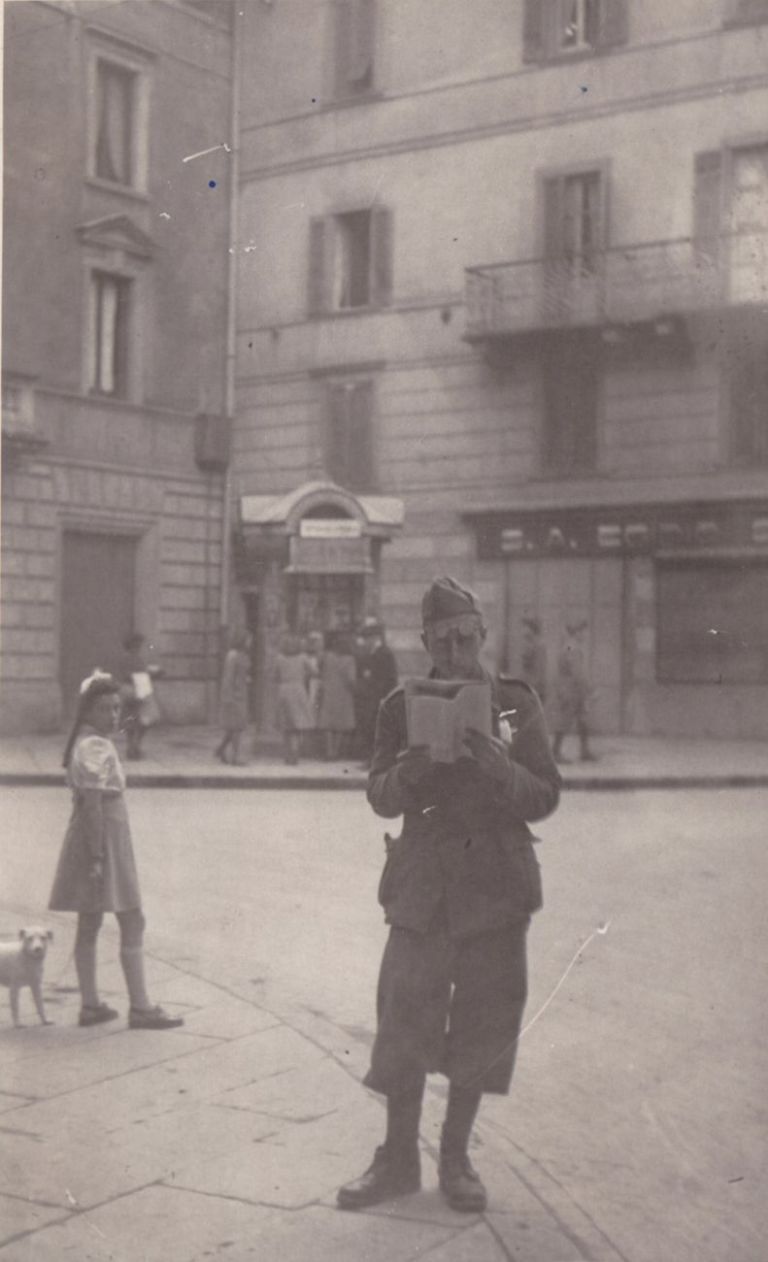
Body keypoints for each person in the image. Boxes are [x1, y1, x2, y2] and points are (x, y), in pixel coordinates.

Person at [337, 577, 560, 1214]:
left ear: (483, 635)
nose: (457, 648)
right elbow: (378, 793)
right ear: (426, 641)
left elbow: (545, 793)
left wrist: (503, 770)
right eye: (444, 638)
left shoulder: (516, 704)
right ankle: (399, 1159)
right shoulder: (397, 706)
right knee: (405, 1015)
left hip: (495, 882)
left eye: (467, 636)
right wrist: (416, 766)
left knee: (484, 1020)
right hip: (424, 887)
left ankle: (457, 1157)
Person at [49, 670, 184, 1030]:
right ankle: (140, 1007)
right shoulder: (96, 745)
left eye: (116, 709)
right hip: (104, 836)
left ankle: (91, 1004)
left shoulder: (83, 740)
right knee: (132, 917)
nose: (113, 716)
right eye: (106, 709)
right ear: (88, 710)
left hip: (93, 835)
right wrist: (97, 856)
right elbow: (93, 803)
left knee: (89, 920)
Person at [355, 619, 398, 767]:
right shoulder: (372, 653)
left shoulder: (384, 653)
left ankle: (376, 761)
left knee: (377, 730)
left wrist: (384, 697)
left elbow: (390, 678)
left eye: (367, 638)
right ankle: (371, 760)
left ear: (375, 638)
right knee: (370, 729)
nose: (365, 642)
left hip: (380, 699)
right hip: (371, 698)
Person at [552, 620, 596, 763]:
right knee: (565, 721)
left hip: (572, 690)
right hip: (571, 691)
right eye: (582, 632)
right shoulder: (573, 647)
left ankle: (585, 751)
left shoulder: (569, 646)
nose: (584, 635)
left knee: (582, 720)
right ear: (576, 632)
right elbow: (577, 673)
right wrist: (589, 690)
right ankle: (555, 752)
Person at [274, 633, 315, 765]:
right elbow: (314, 671)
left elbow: (274, 675)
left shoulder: (279, 658)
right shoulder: (302, 658)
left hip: (284, 690)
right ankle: (295, 752)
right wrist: (304, 675)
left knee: (286, 724)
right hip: (298, 689)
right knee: (297, 725)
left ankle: (287, 754)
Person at [119, 633, 161, 761]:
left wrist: (147, 673)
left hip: (134, 689)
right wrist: (144, 674)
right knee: (144, 718)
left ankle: (133, 746)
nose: (139, 646)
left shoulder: (136, 657)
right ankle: (133, 746)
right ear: (131, 644)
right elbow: (126, 674)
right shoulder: (128, 658)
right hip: (133, 690)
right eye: (137, 643)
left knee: (137, 719)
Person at [318, 630, 356, 760]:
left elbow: (321, 672)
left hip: (329, 692)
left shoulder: (327, 657)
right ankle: (336, 752)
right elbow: (351, 679)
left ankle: (328, 752)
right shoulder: (350, 660)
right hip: (343, 694)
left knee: (328, 724)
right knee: (340, 725)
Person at [215, 630, 252, 765]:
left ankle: (221, 749)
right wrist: (227, 696)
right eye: (248, 639)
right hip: (234, 695)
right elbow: (228, 677)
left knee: (236, 727)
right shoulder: (233, 655)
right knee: (236, 727)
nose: (250, 642)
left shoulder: (244, 655)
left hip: (242, 694)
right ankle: (235, 758)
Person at [520, 616, 548, 703]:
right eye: (525, 638)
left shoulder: (540, 648)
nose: (525, 642)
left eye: (528, 637)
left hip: (535, 690)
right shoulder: (530, 648)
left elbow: (539, 674)